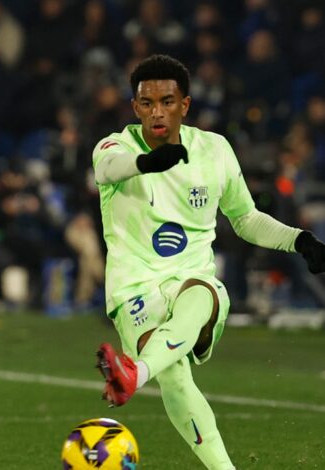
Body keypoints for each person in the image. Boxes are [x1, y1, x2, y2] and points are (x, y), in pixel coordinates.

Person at [92, 54, 325, 469]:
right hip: (134, 291)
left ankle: (134, 376)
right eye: (147, 103)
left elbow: (246, 218)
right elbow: (109, 170)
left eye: (167, 101)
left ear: (185, 105)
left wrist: (299, 240)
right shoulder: (116, 146)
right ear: (135, 107)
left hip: (192, 284)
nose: (156, 112)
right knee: (176, 377)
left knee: (201, 290)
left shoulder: (214, 150)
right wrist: (146, 162)